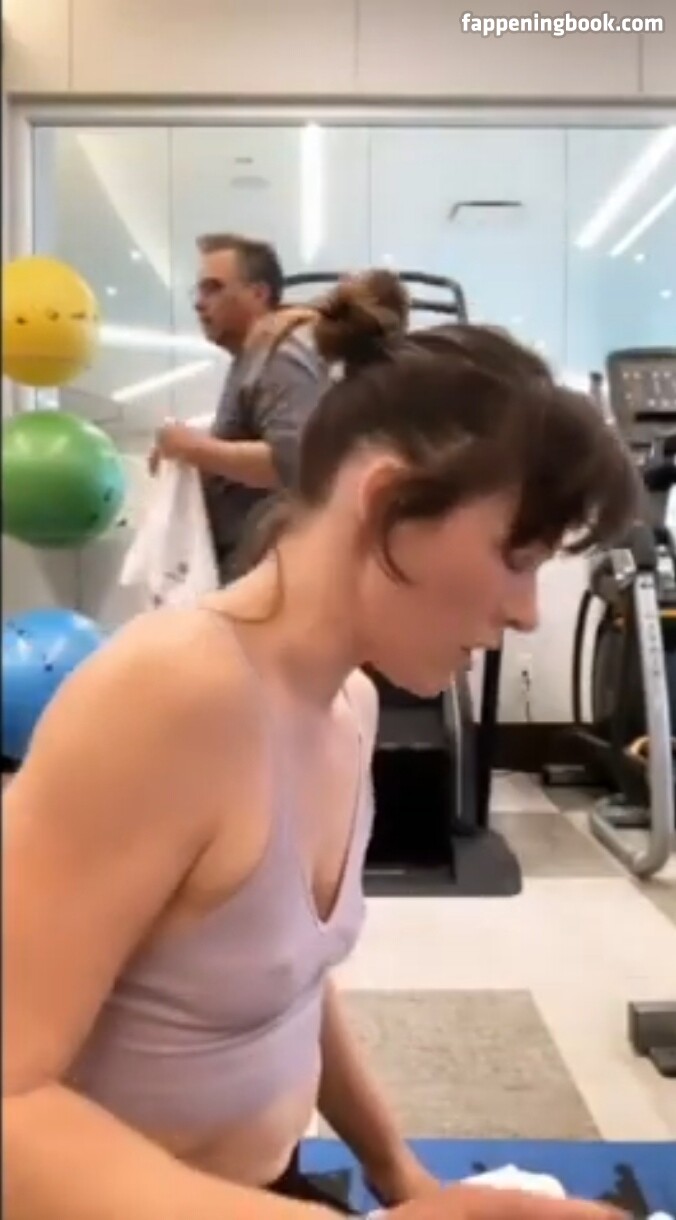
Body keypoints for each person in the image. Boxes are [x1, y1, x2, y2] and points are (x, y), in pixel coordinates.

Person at [4, 276, 639, 1220]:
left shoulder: (349, 702)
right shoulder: (168, 698)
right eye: (518, 559)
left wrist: (404, 1179)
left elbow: (286, 983)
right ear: (383, 503)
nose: (525, 612)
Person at [148, 233, 330, 583]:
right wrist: (191, 458)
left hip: (273, 573)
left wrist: (194, 448)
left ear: (258, 293)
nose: (199, 304)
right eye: (199, 291)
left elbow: (292, 462)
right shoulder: (251, 359)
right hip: (255, 569)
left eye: (213, 289)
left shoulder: (280, 356)